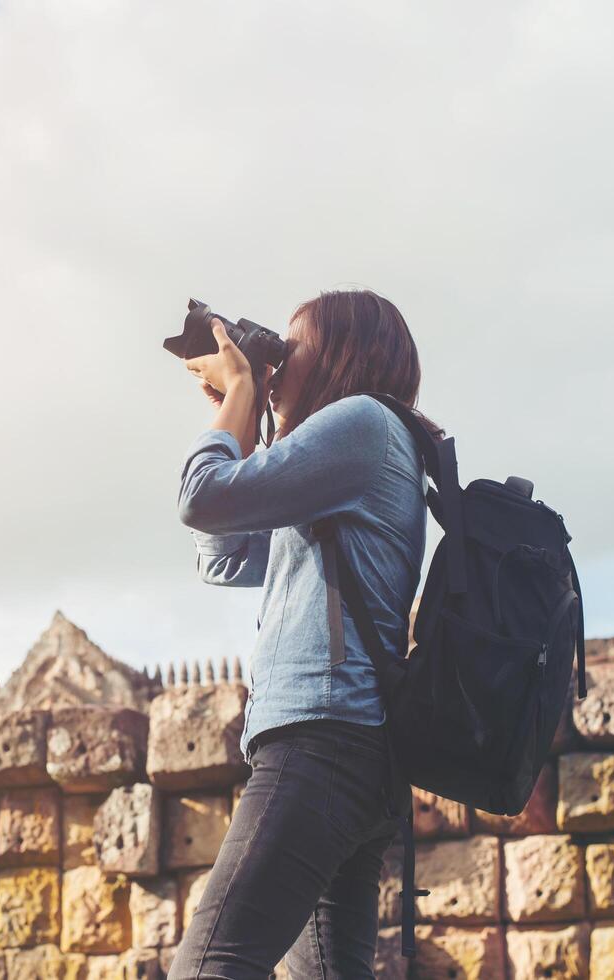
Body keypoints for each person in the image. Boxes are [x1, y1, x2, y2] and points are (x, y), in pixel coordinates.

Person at [167, 290, 439, 979]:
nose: (279, 365)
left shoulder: (361, 423)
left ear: (342, 352)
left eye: (293, 348)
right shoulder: (360, 450)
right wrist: (244, 414)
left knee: (208, 967)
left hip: (319, 742)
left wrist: (237, 401)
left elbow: (200, 496)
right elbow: (224, 556)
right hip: (350, 754)